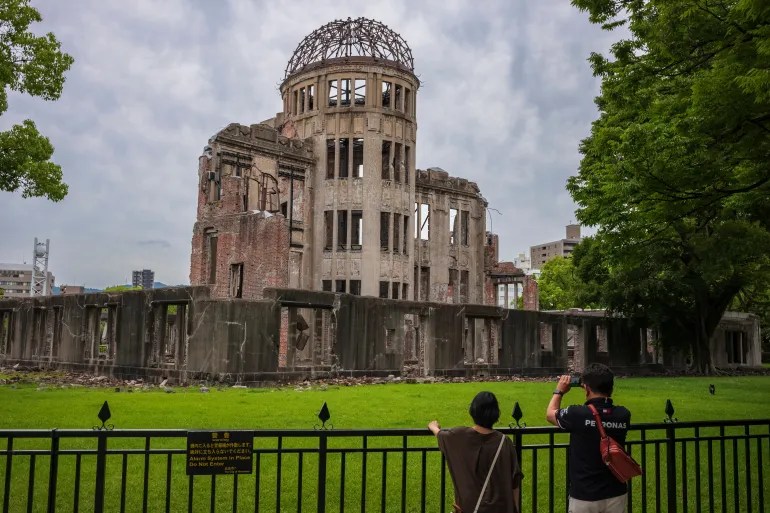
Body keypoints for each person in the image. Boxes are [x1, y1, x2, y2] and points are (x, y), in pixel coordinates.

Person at [546, 363, 631, 513]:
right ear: (611, 388)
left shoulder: (577, 414)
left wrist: (559, 391)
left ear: (586, 388)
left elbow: (550, 414)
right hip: (616, 491)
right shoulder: (623, 415)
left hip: (584, 494)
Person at [429, 391, 523, 513]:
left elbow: (441, 435)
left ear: (473, 411)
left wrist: (433, 426)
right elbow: (514, 483)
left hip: (470, 507)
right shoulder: (504, 442)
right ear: (495, 414)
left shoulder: (459, 436)